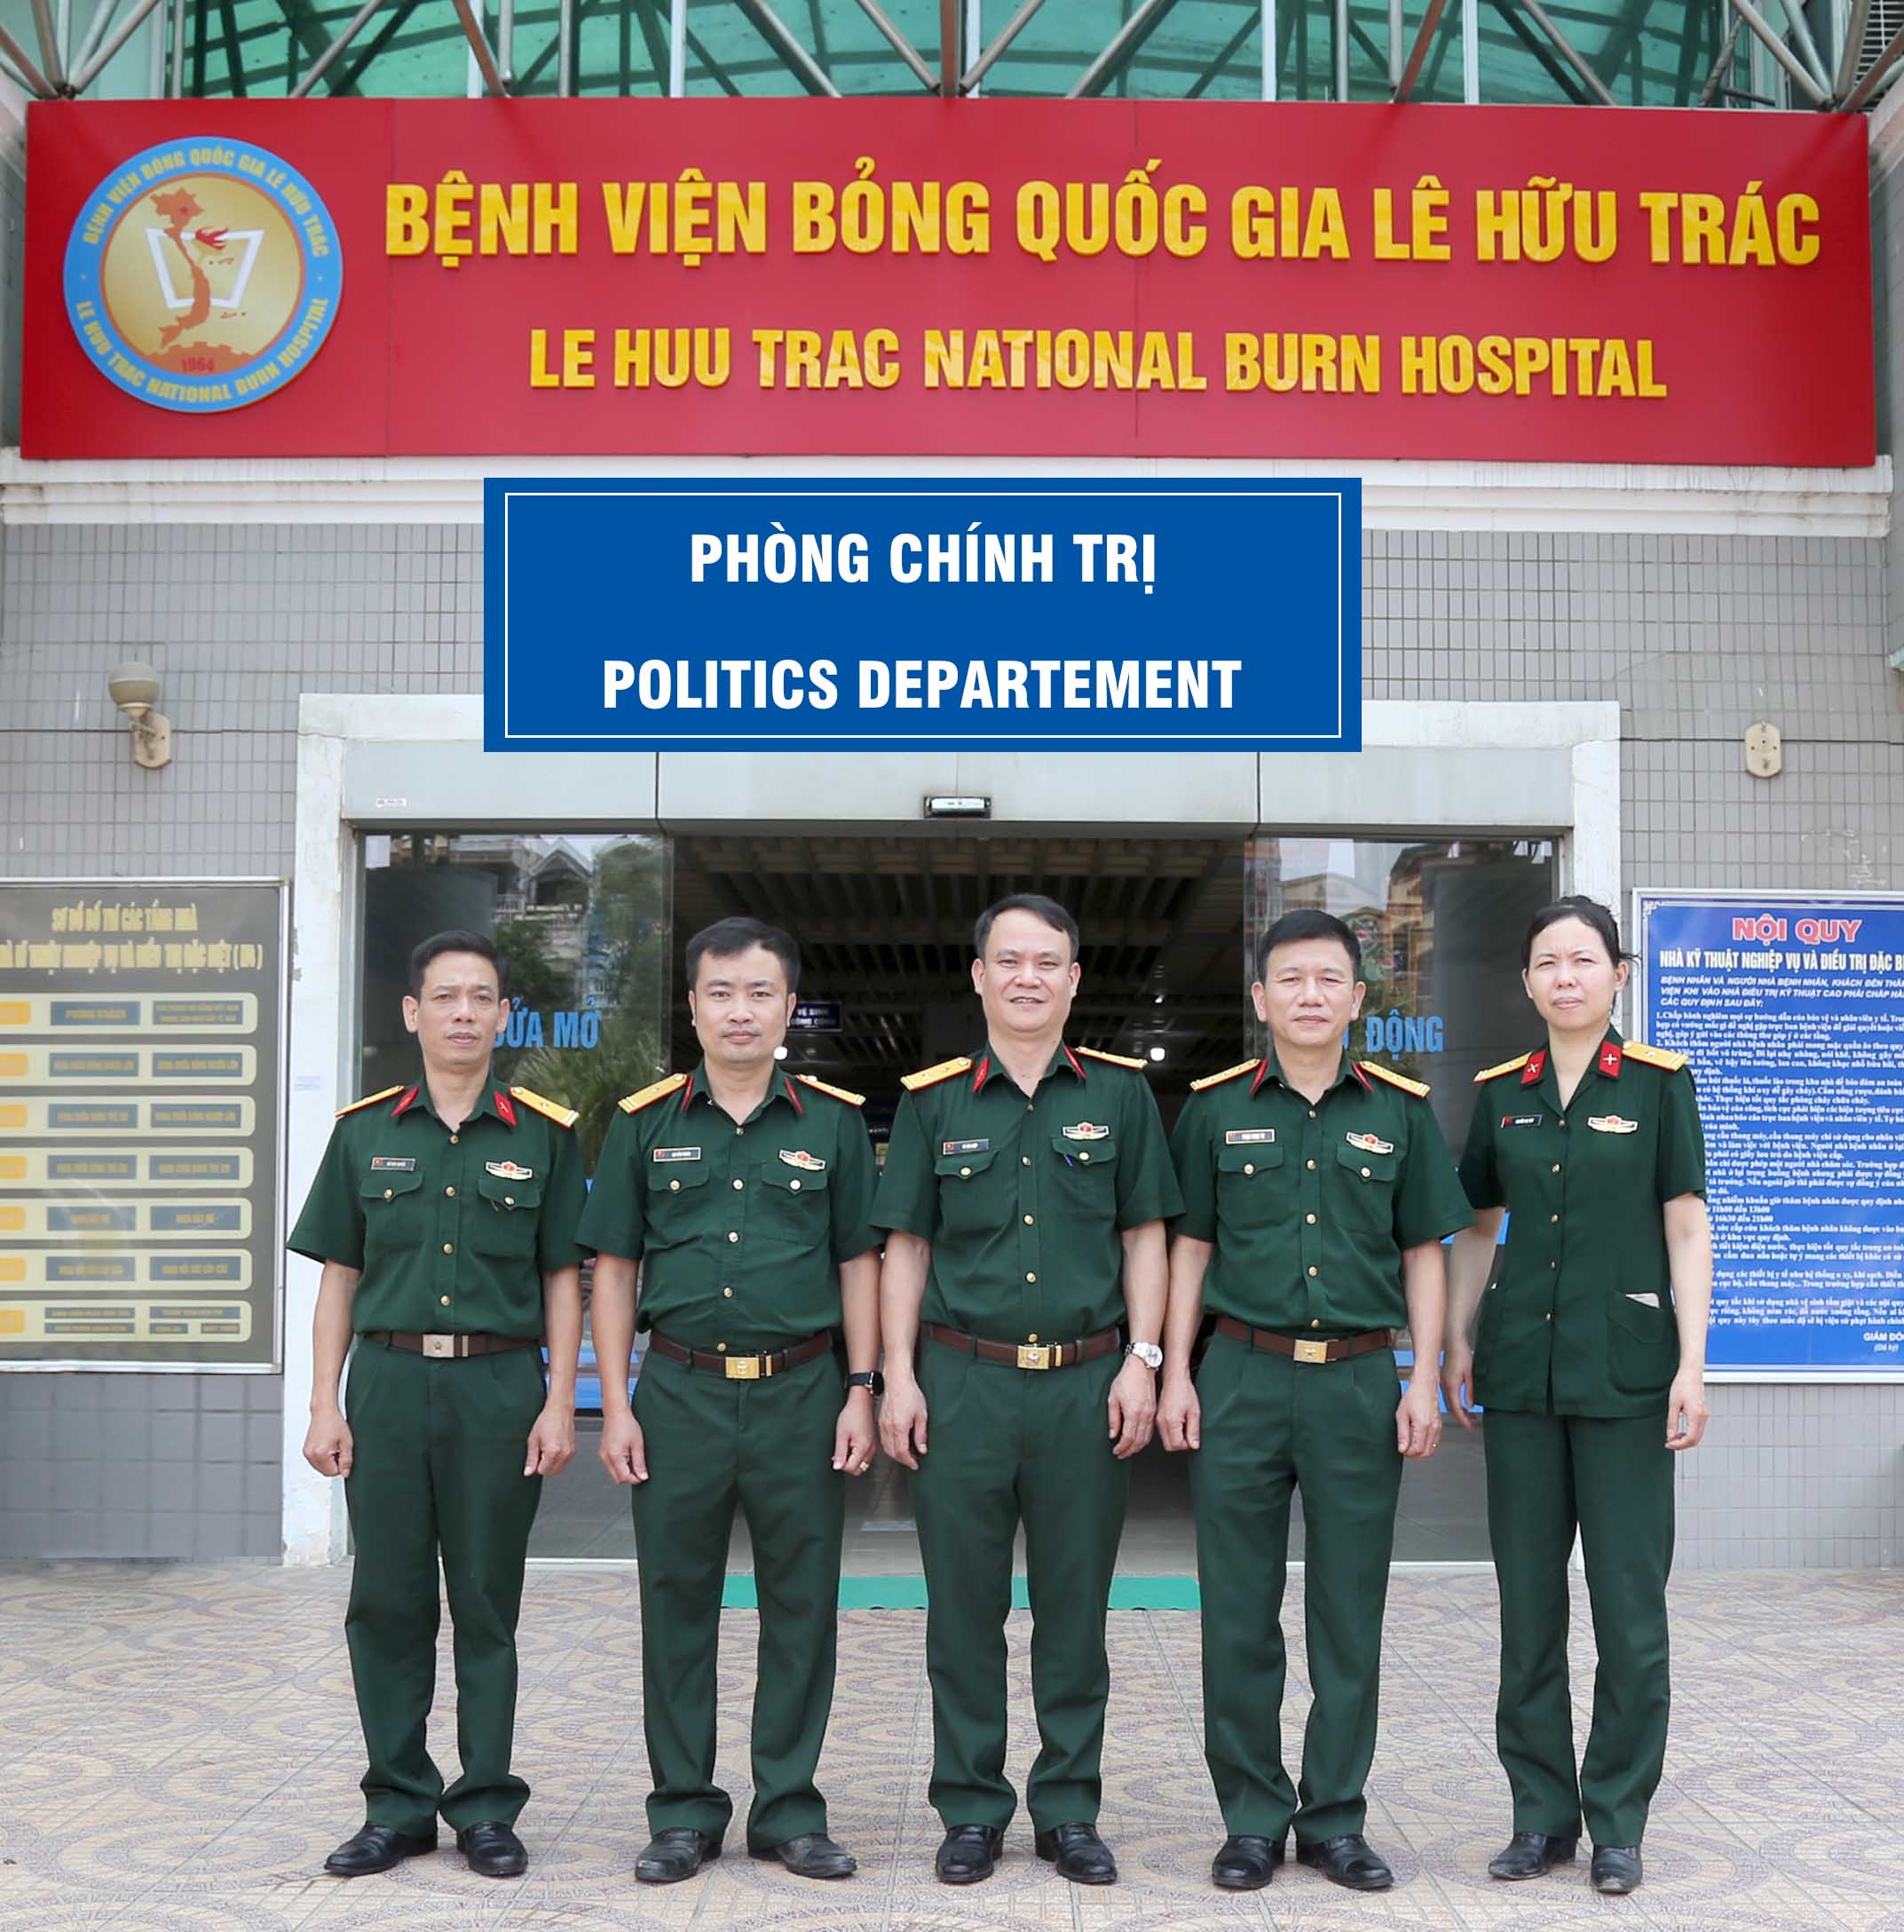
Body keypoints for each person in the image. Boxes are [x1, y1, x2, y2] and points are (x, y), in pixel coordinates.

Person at [1157, 907, 1472, 1894]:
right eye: (1289, 979)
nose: (1309, 995)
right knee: (1236, 1610)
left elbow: (1425, 1252)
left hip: (1355, 1382)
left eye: (1328, 979)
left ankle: (1335, 1818)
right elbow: (1188, 1249)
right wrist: (1173, 1371)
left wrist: (1420, 1377)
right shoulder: (1213, 1111)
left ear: (1357, 998)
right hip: (1240, 1375)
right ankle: (1252, 1819)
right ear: (1260, 998)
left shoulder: (1400, 1113)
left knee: (1348, 1610)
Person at [873, 893, 1180, 1888]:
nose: (1027, 977)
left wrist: (1143, 1359)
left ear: (1073, 979)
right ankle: (970, 1809)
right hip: (962, 1382)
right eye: (1008, 960)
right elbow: (906, 1247)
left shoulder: (1121, 1098)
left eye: (1047, 962)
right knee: (963, 1612)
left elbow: (1145, 1235)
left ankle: (1068, 1809)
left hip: (1085, 1385)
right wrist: (897, 1376)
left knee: (1073, 1612)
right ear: (978, 976)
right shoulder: (933, 1103)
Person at [580, 916, 881, 1886]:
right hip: (679, 1393)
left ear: (789, 1007)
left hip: (803, 1392)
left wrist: (862, 1388)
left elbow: (859, 1262)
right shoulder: (645, 1123)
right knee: (677, 1605)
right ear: (693, 1006)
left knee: (802, 1606)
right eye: (720, 992)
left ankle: (788, 1810)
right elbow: (614, 1268)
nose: (739, 1010)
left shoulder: (833, 1123)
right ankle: (682, 1812)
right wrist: (617, 1404)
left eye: (758, 993)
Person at [290, 928, 586, 1881]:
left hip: (498, 1387)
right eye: (447, 996)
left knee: (487, 1602)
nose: (464, 1012)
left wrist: (558, 1399)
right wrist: (323, 1404)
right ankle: (397, 1804)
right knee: (386, 1599)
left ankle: (487, 1805)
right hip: (385, 1380)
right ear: (413, 1013)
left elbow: (563, 1278)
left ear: (504, 1016)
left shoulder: (543, 1134)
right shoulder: (364, 1132)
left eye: (482, 997)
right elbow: (340, 1277)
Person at [1442, 894, 1711, 1897]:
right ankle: (1540, 1817)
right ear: (1526, 981)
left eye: (1583, 959)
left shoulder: (1657, 1085)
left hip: (1628, 1376)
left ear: (1616, 974)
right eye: (1548, 961)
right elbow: (1478, 1226)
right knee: (1528, 1611)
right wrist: (1457, 1336)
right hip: (1521, 1376)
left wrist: (1692, 1364)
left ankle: (1619, 1821)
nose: (1565, 976)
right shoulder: (1500, 1094)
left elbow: (1686, 1225)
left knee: (1630, 1612)